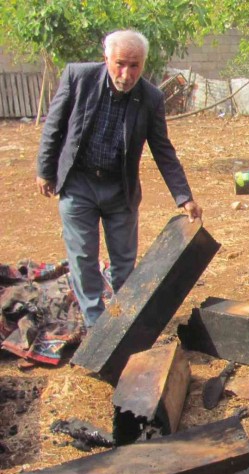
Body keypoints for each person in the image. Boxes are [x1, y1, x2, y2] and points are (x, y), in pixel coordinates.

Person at [36, 29, 202, 328]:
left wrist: (184, 196)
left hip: (119, 189)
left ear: (143, 64)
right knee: (84, 257)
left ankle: (123, 325)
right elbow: (54, 126)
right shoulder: (79, 78)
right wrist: (45, 170)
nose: (126, 73)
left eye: (135, 65)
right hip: (79, 183)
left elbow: (163, 150)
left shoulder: (151, 98)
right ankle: (95, 327)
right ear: (107, 59)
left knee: (124, 263)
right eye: (120, 64)